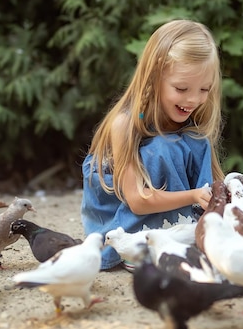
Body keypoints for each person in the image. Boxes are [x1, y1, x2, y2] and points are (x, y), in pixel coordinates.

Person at [81, 19, 224, 270]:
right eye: (181, 88)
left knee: (193, 142)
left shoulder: (189, 121)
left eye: (204, 89)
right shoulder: (125, 123)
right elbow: (136, 201)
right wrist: (193, 195)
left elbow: (213, 180)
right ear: (156, 73)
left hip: (172, 203)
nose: (193, 99)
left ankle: (188, 231)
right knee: (162, 149)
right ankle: (141, 248)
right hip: (121, 216)